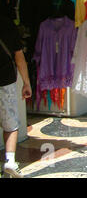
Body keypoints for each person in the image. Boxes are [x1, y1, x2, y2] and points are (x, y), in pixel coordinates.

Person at [0, 14, 32, 178]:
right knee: (10, 123)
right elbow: (19, 57)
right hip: (5, 80)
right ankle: (10, 161)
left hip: (6, 80)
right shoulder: (6, 23)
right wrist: (26, 83)